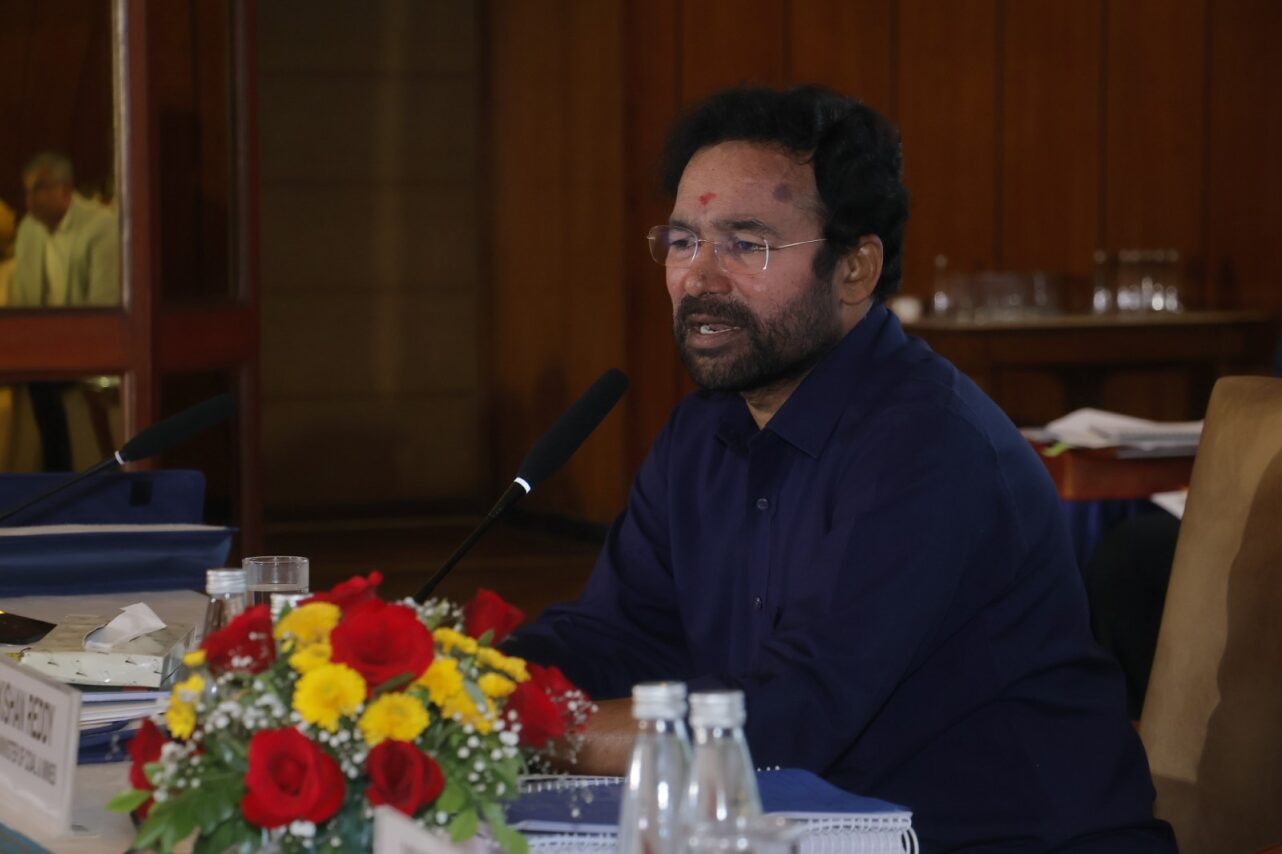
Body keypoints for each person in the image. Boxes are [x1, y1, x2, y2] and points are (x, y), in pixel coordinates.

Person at [505, 85, 1173, 850]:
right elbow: (614, 639)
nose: (700, 279)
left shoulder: (930, 447)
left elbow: (790, 717)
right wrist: (467, 684)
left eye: (746, 244)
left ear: (855, 270)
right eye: (684, 241)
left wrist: (538, 726)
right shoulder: (701, 434)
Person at [12, 151, 120, 308]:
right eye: (28, 191)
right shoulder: (28, 229)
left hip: (86, 330)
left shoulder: (103, 227)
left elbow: (104, 307)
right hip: (39, 330)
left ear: (66, 189)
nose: (30, 199)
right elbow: (21, 304)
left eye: (39, 188)